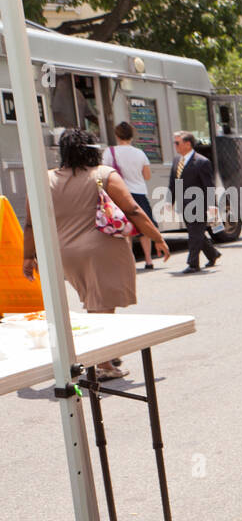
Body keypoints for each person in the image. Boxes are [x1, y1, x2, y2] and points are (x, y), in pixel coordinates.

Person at [21, 129, 170, 379]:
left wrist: (27, 256)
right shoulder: (103, 174)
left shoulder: (43, 179)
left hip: (65, 253)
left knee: (93, 303)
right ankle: (102, 364)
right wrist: (157, 237)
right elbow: (132, 209)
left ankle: (102, 353)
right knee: (103, 307)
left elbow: (30, 223)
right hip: (103, 249)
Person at [102, 122, 159, 270]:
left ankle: (130, 260)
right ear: (132, 136)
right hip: (139, 193)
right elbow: (147, 176)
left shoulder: (109, 152)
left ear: (117, 135)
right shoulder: (140, 153)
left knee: (124, 227)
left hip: (119, 193)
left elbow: (104, 174)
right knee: (144, 226)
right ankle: (148, 260)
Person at [168, 132, 220, 273]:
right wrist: (169, 201)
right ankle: (212, 254)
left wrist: (212, 204)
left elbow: (209, 185)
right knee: (195, 232)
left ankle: (193, 264)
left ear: (188, 144)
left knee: (194, 234)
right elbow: (173, 183)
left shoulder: (202, 162)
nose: (175, 146)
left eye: (177, 143)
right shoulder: (177, 160)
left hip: (198, 202)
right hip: (184, 203)